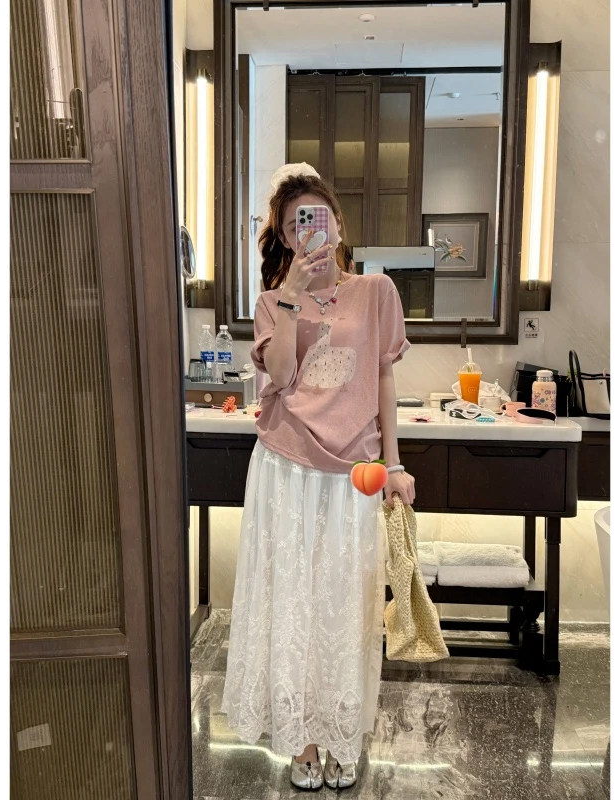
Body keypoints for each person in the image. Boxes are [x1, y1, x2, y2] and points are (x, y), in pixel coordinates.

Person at [220, 163, 415, 791]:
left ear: (337, 224)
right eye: (295, 225)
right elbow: (279, 377)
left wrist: (394, 463)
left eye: (318, 218)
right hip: (286, 467)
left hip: (353, 470)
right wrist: (291, 296)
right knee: (293, 603)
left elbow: (383, 378)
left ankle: (340, 733)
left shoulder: (376, 292)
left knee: (347, 605)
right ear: (283, 237)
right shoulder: (272, 301)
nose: (310, 231)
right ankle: (302, 738)